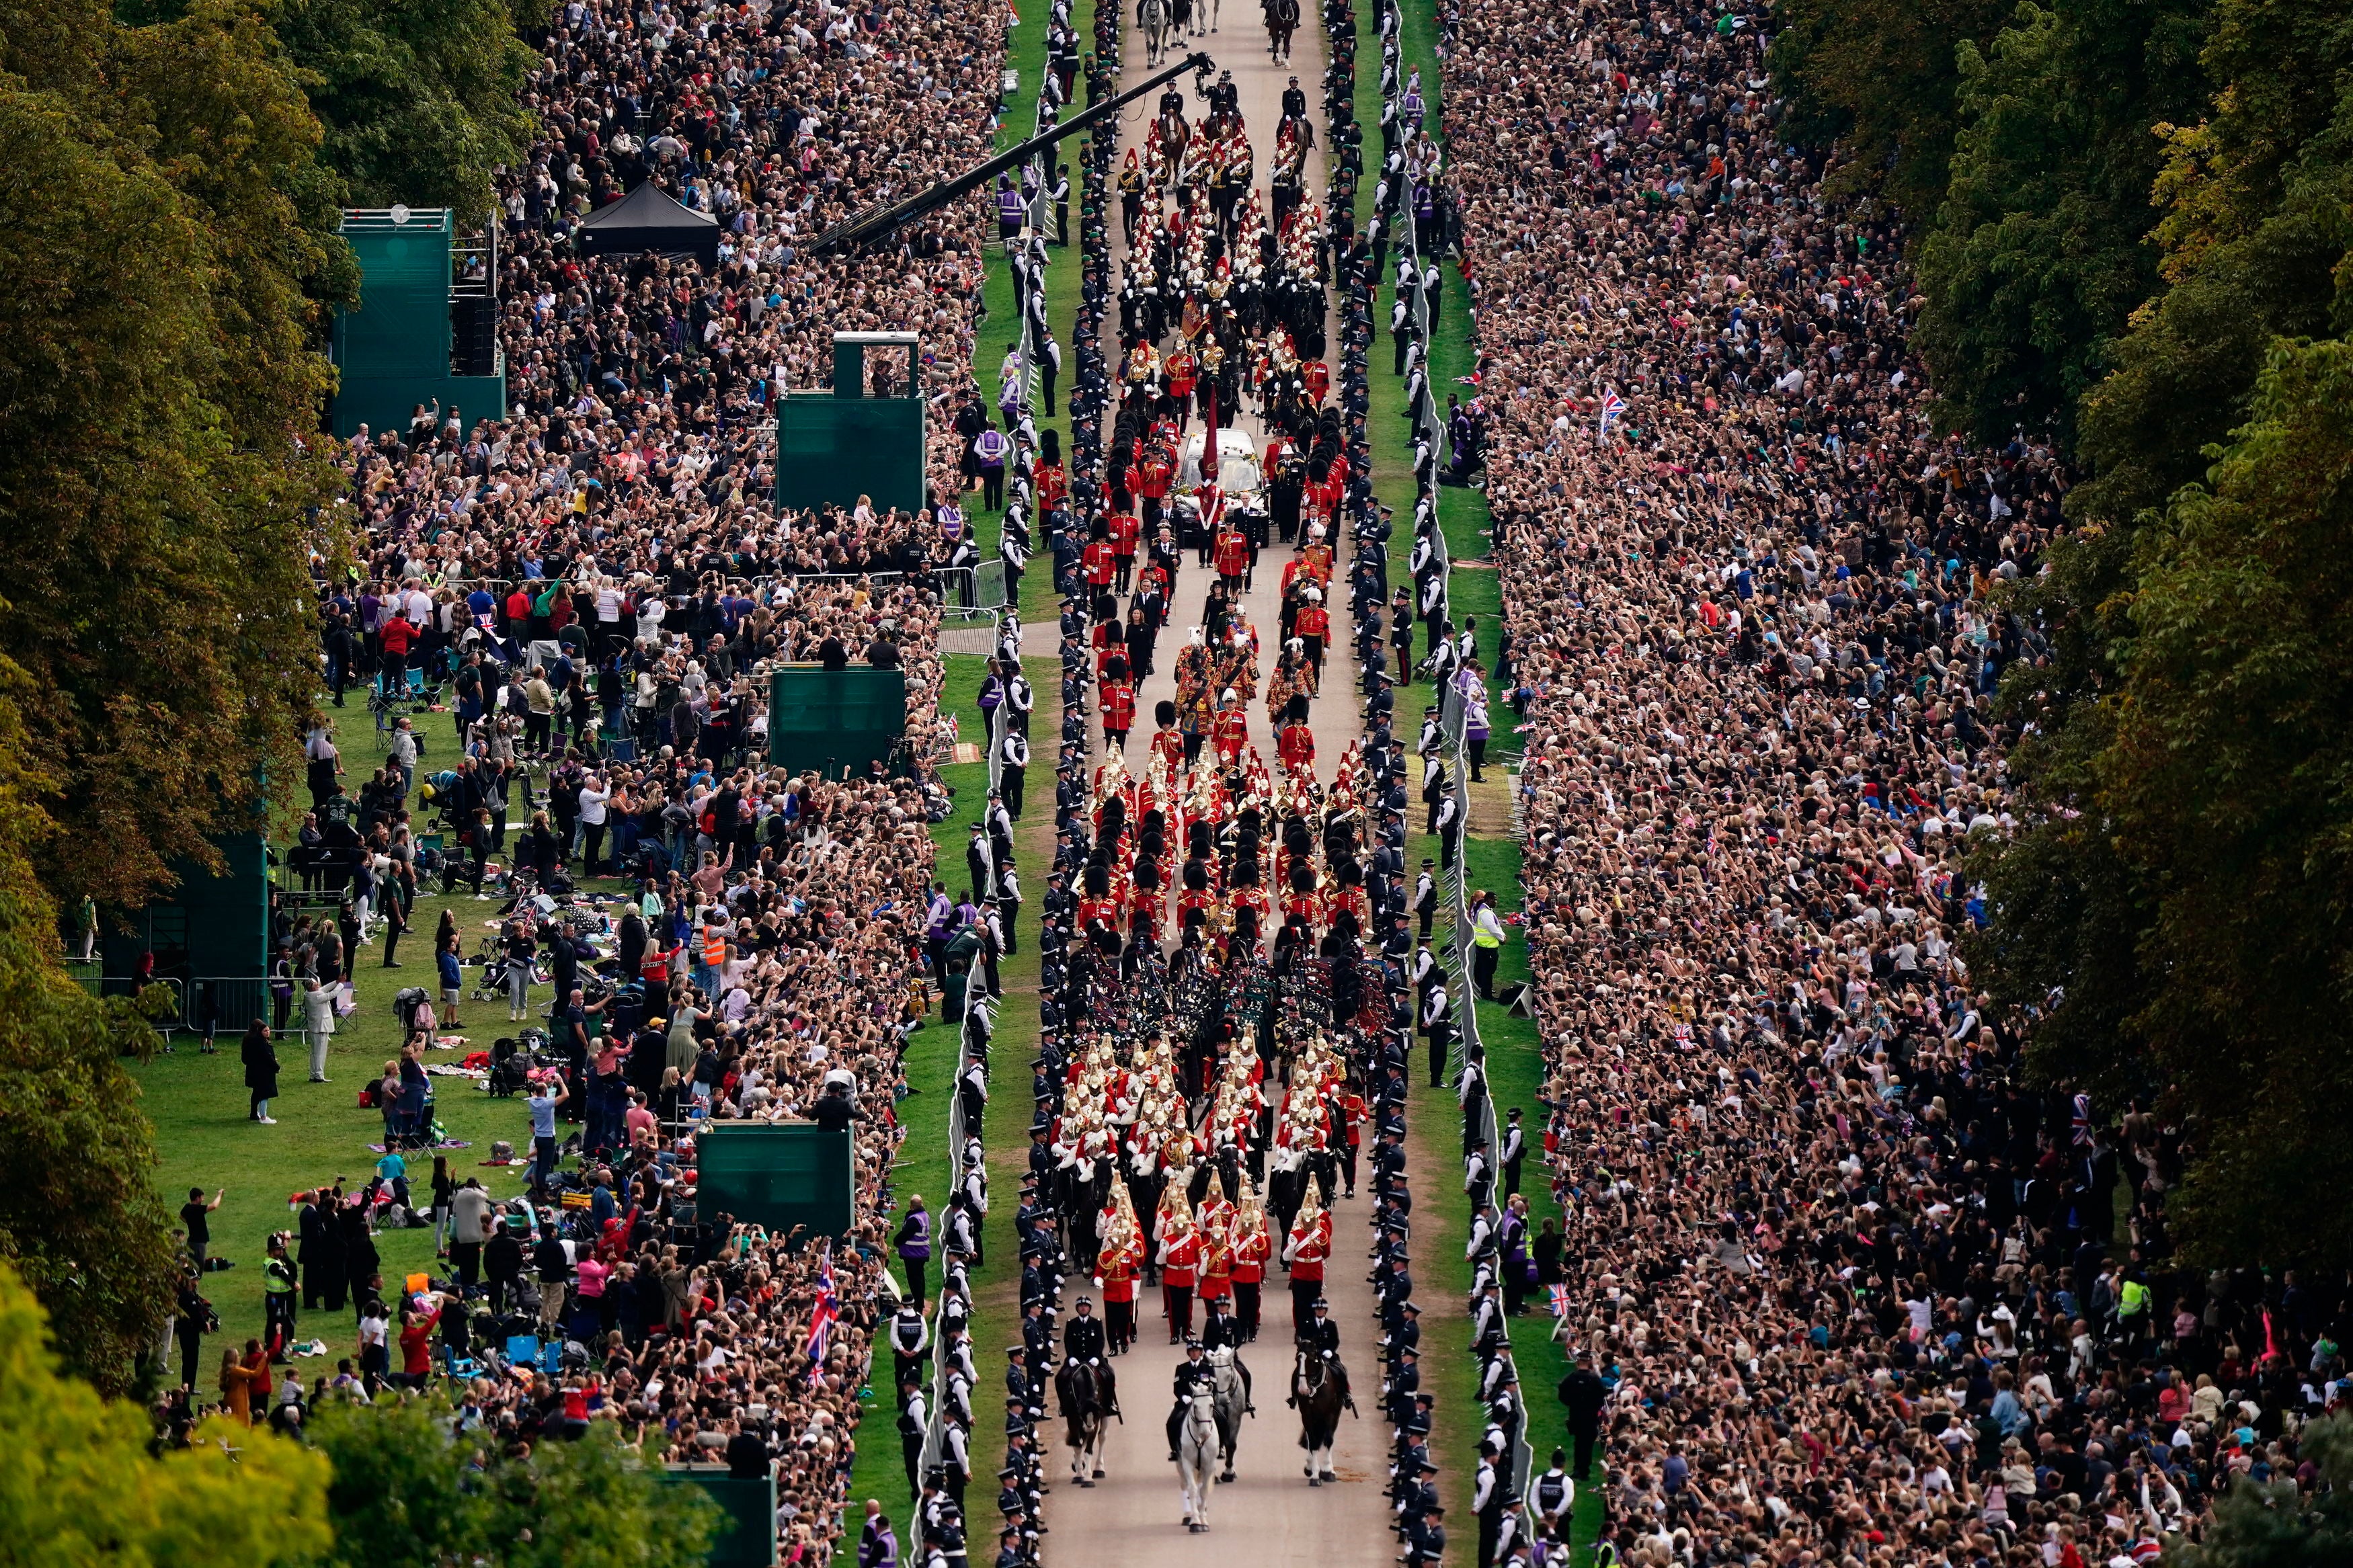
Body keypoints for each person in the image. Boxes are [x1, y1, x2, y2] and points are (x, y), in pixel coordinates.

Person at [241, 1018, 280, 1123]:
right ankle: (262, 1116)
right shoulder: (259, 1042)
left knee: (257, 1092)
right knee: (263, 1093)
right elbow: (266, 1057)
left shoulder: (249, 1039)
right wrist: (276, 1066)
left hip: (253, 1070)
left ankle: (254, 1113)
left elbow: (245, 1058)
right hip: (261, 1072)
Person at [180, 1186, 224, 1270]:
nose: (203, 1200)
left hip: (191, 1242)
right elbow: (214, 1206)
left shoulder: (187, 1207)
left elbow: (181, 1216)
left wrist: (190, 1222)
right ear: (197, 1198)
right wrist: (219, 1195)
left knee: (191, 1265)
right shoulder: (197, 1209)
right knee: (199, 1266)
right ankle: (194, 1281)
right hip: (199, 1244)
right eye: (202, 1198)